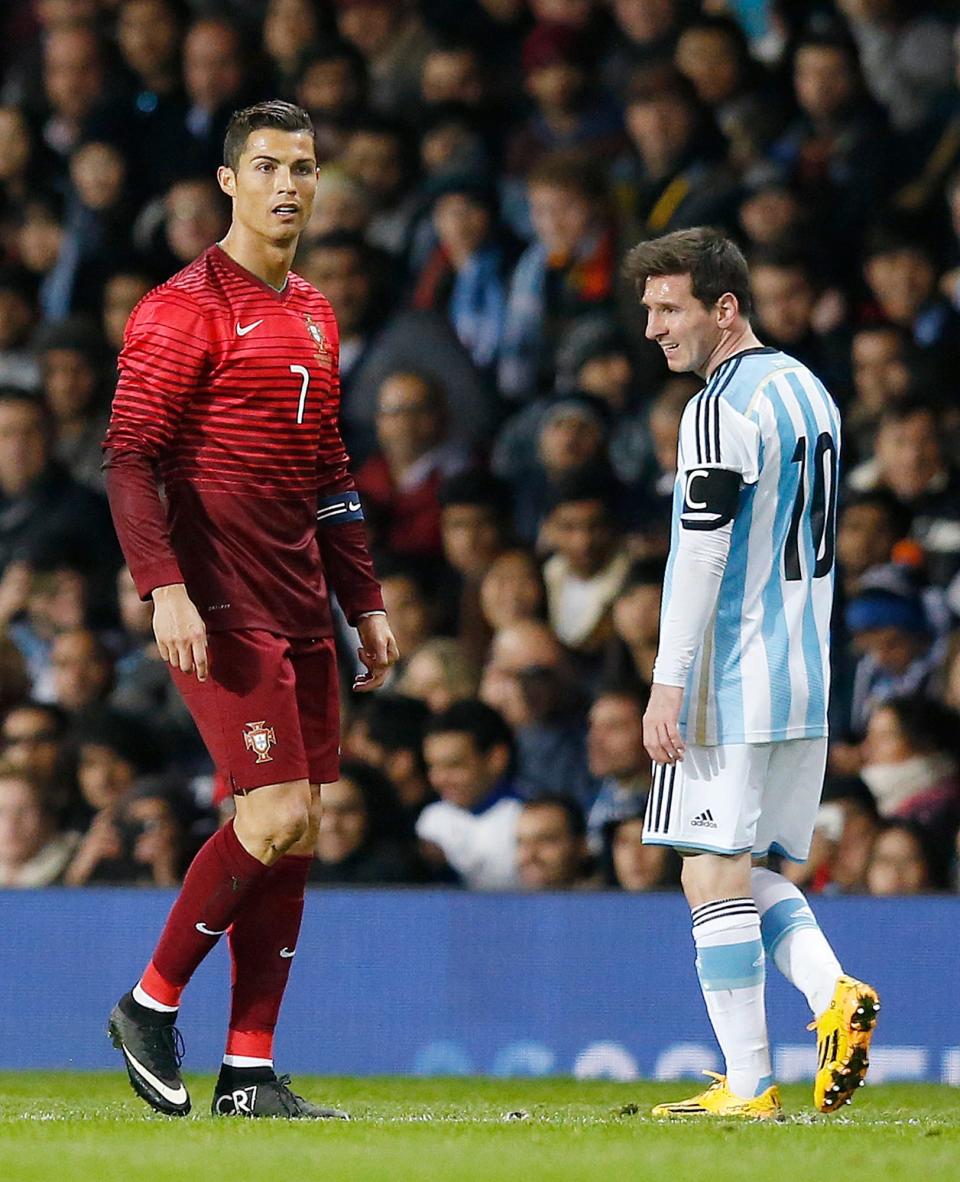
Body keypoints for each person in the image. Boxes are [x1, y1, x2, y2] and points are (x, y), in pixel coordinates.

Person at [101, 101, 398, 1121]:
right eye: (266, 166)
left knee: (299, 825)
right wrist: (164, 587)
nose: (287, 185)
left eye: (304, 168)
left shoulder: (315, 311)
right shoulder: (184, 308)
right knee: (270, 813)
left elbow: (329, 471)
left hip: (301, 601)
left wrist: (362, 599)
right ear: (228, 182)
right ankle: (149, 1004)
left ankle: (249, 1072)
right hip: (218, 600)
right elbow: (130, 457)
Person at [627, 226, 878, 1120]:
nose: (653, 326)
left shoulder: (717, 408)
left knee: (707, 872)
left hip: (730, 676)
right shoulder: (811, 390)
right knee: (735, 868)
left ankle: (751, 1083)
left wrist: (667, 680)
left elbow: (701, 554)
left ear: (724, 308)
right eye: (648, 309)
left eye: (670, 308)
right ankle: (830, 1000)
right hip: (807, 672)